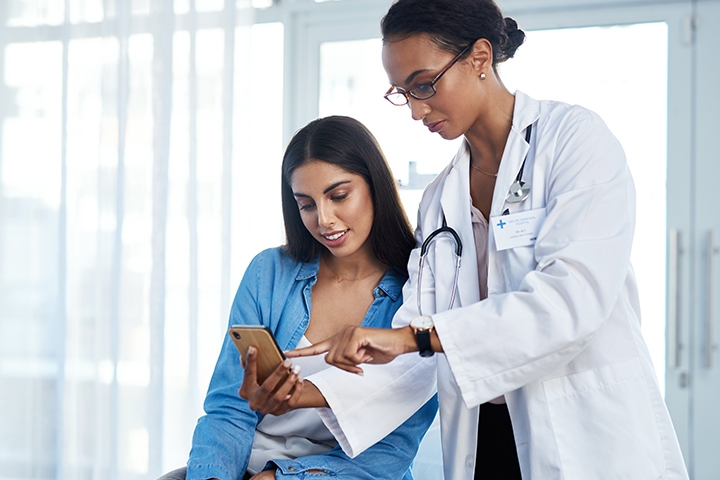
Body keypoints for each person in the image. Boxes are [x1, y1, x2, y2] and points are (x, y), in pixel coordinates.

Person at [285, 1, 690, 479]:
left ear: (479, 57)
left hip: (586, 436)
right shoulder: (439, 199)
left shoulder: (574, 142)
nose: (415, 110)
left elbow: (569, 301)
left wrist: (412, 337)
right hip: (486, 439)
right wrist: (309, 392)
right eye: (402, 93)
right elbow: (415, 346)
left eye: (424, 85)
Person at [160, 115, 438, 480]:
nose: (324, 220)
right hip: (243, 465)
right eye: (306, 204)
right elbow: (229, 408)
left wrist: (281, 477)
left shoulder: (417, 295)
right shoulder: (268, 273)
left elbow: (389, 453)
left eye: (338, 196)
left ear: (376, 187)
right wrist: (213, 476)